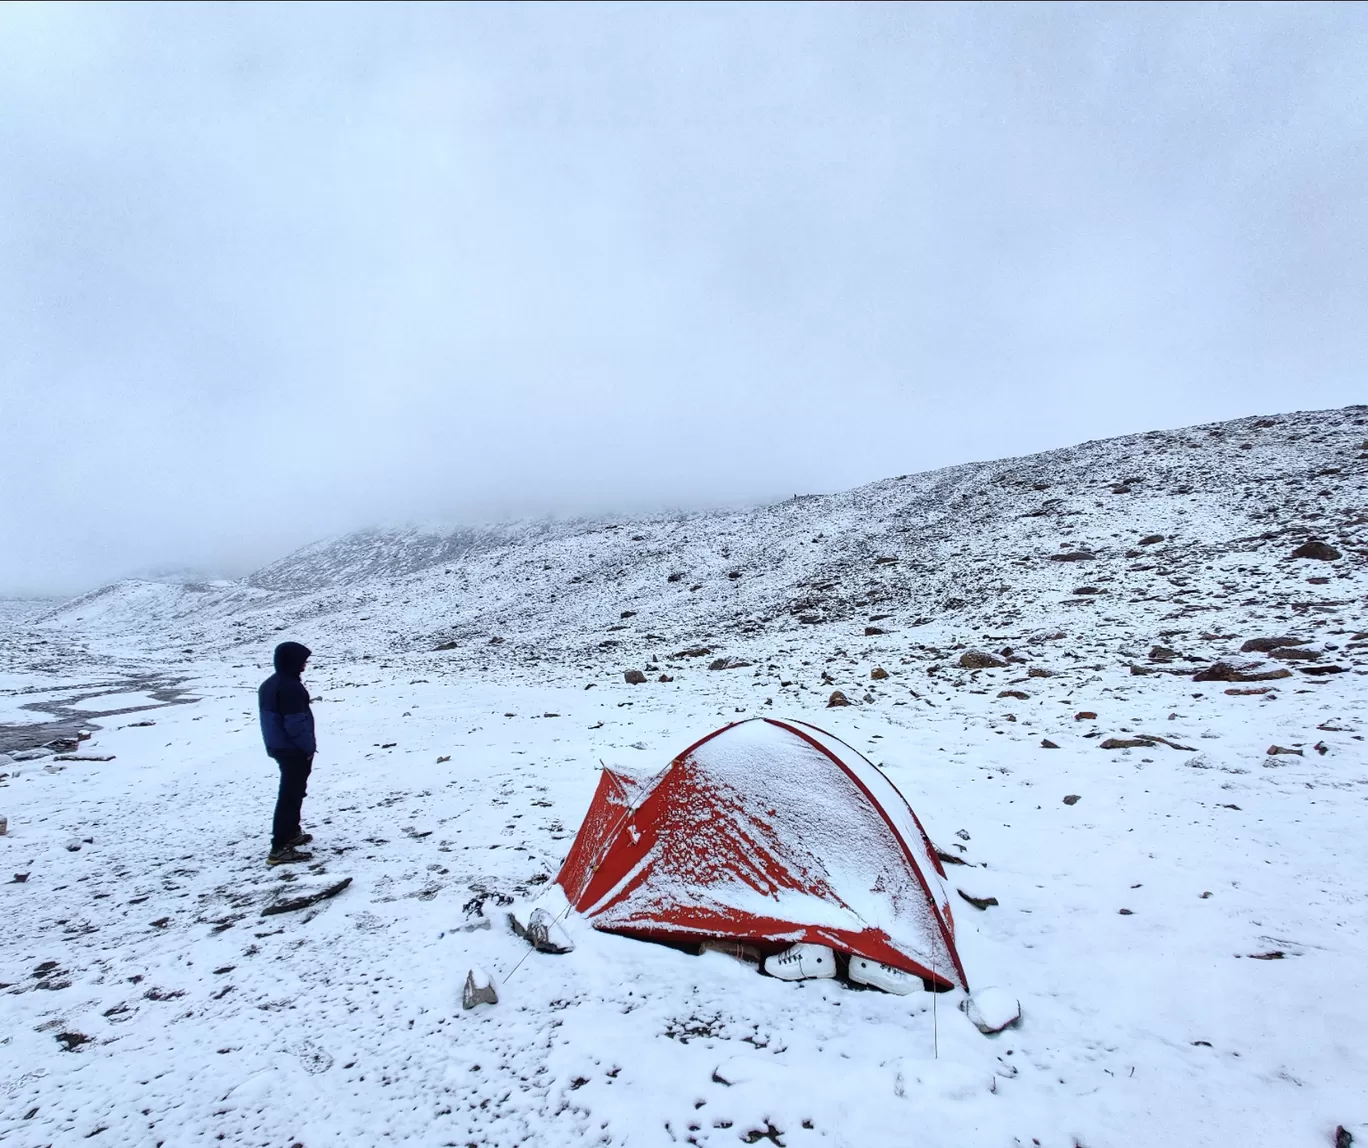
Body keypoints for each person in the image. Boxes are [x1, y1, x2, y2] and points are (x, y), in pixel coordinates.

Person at [258, 641, 317, 866]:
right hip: (292, 749)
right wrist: (308, 748)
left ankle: (291, 832)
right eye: (302, 660)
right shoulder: (290, 687)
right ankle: (279, 847)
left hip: (279, 745)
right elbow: (296, 723)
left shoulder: (271, 684)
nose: (305, 664)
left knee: (294, 792)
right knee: (290, 796)